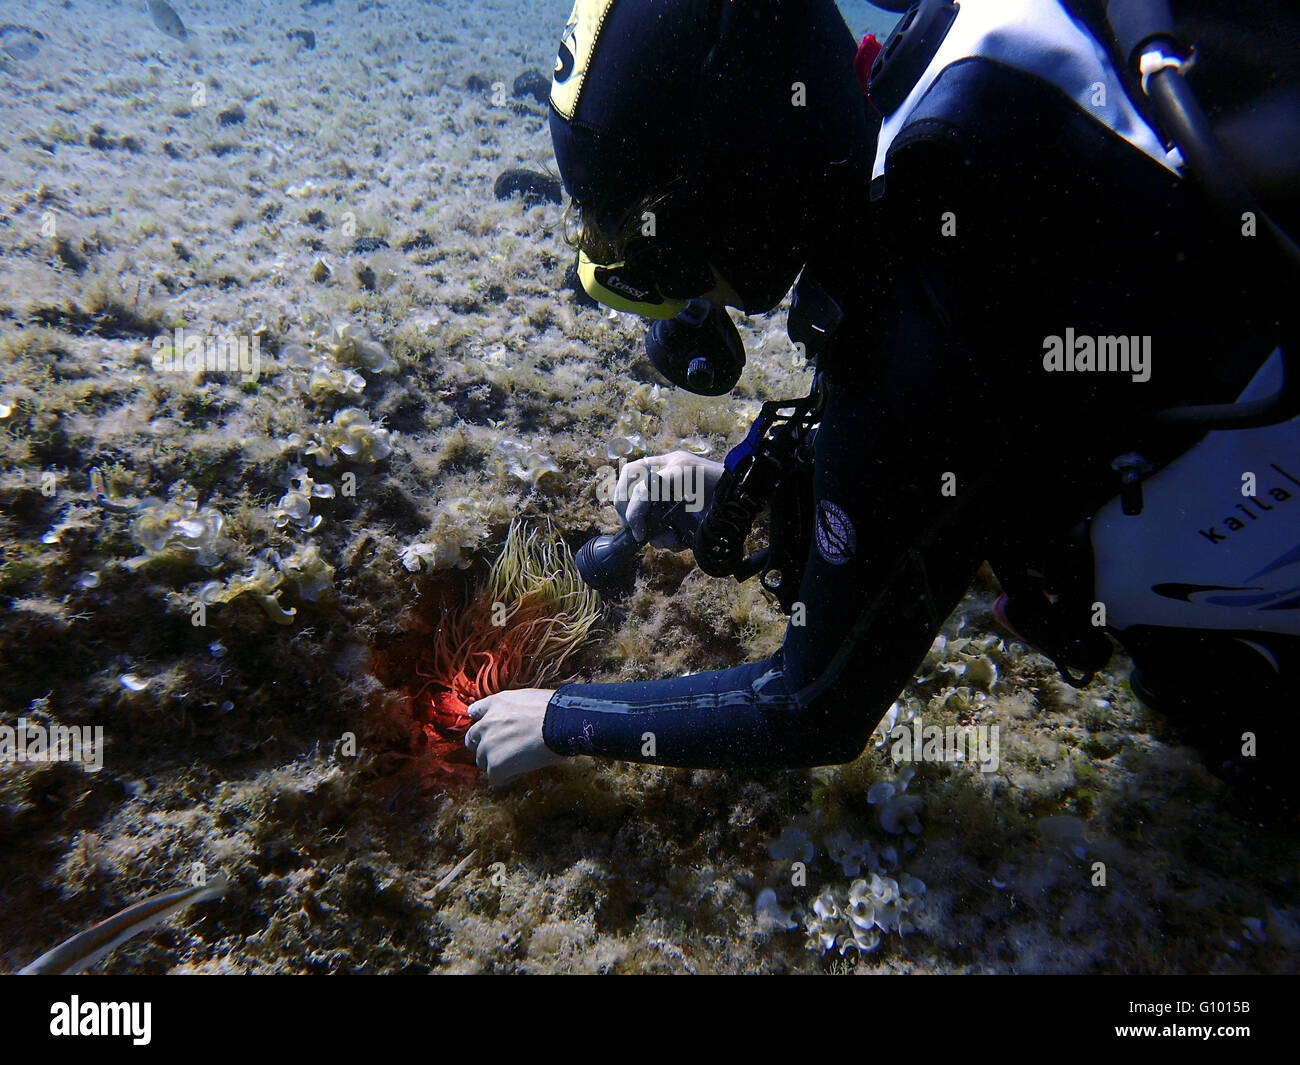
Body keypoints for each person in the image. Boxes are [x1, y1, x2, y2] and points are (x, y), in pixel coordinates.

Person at [465, 0, 1300, 804]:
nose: (674, 295)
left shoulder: (927, 311)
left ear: (738, 200)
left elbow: (810, 705)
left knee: (1228, 727)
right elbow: (963, 429)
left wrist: (557, 720)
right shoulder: (954, 84)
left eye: (651, 248)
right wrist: (741, 483)